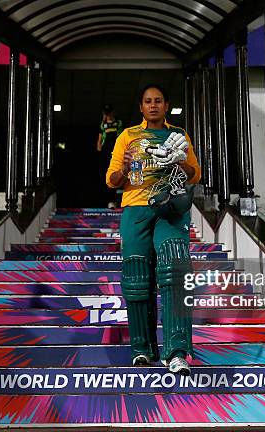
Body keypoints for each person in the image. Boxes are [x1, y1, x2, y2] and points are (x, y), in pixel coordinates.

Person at [106, 84, 201, 376]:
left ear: (166, 105)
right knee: (137, 278)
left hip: (170, 207)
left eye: (158, 100)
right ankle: (142, 350)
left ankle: (176, 352)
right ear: (141, 107)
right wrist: (122, 169)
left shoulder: (179, 136)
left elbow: (194, 174)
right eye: (148, 101)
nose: (153, 105)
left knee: (176, 269)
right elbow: (112, 180)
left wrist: (180, 161)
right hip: (136, 207)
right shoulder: (128, 136)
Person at [97, 105, 123, 208]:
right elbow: (99, 141)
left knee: (116, 175)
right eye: (106, 113)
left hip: (115, 152)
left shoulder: (118, 123)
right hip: (105, 153)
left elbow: (121, 137)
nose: (108, 114)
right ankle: (109, 201)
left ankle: (114, 201)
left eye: (109, 112)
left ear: (113, 112)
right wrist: (100, 152)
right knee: (105, 176)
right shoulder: (103, 125)